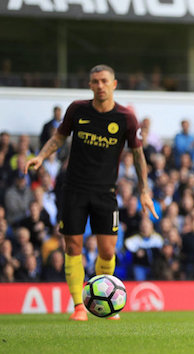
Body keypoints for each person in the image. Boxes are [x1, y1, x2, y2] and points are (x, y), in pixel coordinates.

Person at [24, 64, 157, 321]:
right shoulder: (77, 109)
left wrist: (144, 191)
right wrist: (40, 156)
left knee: (107, 251)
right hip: (74, 189)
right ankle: (78, 307)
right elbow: (59, 138)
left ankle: (103, 305)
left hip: (105, 193)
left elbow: (138, 155)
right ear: (90, 85)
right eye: (95, 81)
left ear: (114, 84)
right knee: (73, 246)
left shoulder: (126, 118)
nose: (100, 85)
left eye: (104, 81)